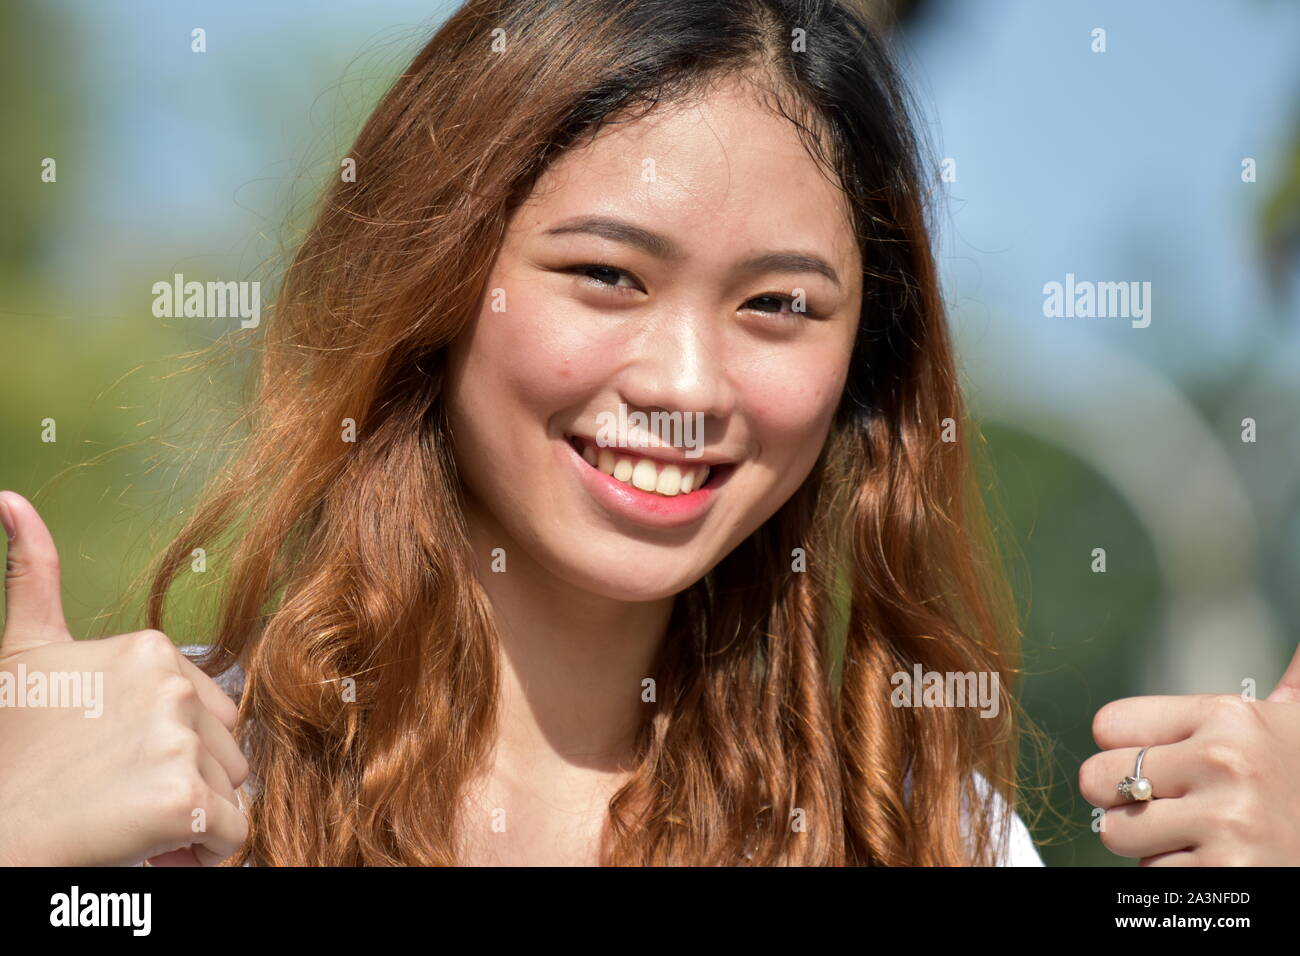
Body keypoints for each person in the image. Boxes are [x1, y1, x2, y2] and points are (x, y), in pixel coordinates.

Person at [3, 0, 1295, 868]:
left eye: (779, 306)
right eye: (608, 276)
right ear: (438, 286)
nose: (688, 379)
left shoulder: (927, 838)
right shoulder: (162, 793)